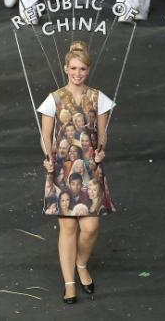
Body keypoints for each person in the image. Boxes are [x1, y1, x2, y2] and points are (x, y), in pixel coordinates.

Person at [37, 40, 115, 304]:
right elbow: (45, 136)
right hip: (61, 167)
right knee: (68, 226)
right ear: (65, 69)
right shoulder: (54, 99)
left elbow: (102, 135)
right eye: (73, 68)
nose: (77, 73)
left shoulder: (99, 98)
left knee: (91, 227)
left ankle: (82, 264)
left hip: (91, 168)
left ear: (88, 70)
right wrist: (47, 158)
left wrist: (102, 150)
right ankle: (69, 283)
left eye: (82, 68)